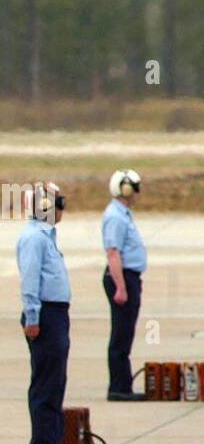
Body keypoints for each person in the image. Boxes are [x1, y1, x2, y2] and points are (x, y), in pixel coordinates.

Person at [17, 181, 73, 444]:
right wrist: (33, 317)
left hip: (55, 314)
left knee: (55, 379)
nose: (62, 209)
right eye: (57, 203)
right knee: (46, 381)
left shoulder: (45, 236)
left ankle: (51, 439)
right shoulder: (34, 239)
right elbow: (29, 283)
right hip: (45, 316)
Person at [102, 169, 147, 401]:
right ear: (125, 189)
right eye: (135, 188)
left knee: (125, 333)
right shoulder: (115, 217)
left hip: (128, 277)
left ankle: (123, 384)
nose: (138, 194)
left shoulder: (123, 214)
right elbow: (112, 253)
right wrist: (121, 287)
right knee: (121, 334)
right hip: (122, 278)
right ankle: (118, 387)